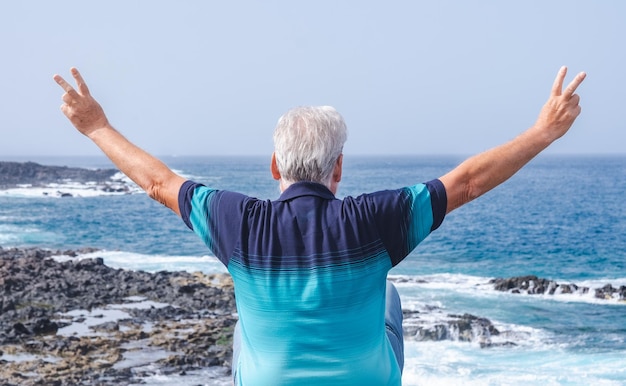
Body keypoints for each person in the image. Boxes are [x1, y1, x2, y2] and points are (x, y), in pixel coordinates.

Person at [54, 66, 585, 385]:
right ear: (338, 168)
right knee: (390, 296)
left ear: (274, 166)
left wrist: (97, 126)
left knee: (242, 326)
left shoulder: (236, 222)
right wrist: (543, 133)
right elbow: (467, 182)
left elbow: (158, 182)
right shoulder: (376, 221)